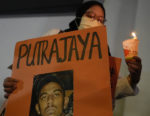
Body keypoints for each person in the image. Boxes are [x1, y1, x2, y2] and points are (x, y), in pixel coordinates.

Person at [3, 0, 142, 104]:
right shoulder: (56, 36)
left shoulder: (103, 52)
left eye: (100, 20)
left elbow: (109, 88)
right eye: (90, 16)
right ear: (79, 18)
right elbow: (27, 69)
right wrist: (15, 85)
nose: (95, 22)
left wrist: (133, 79)